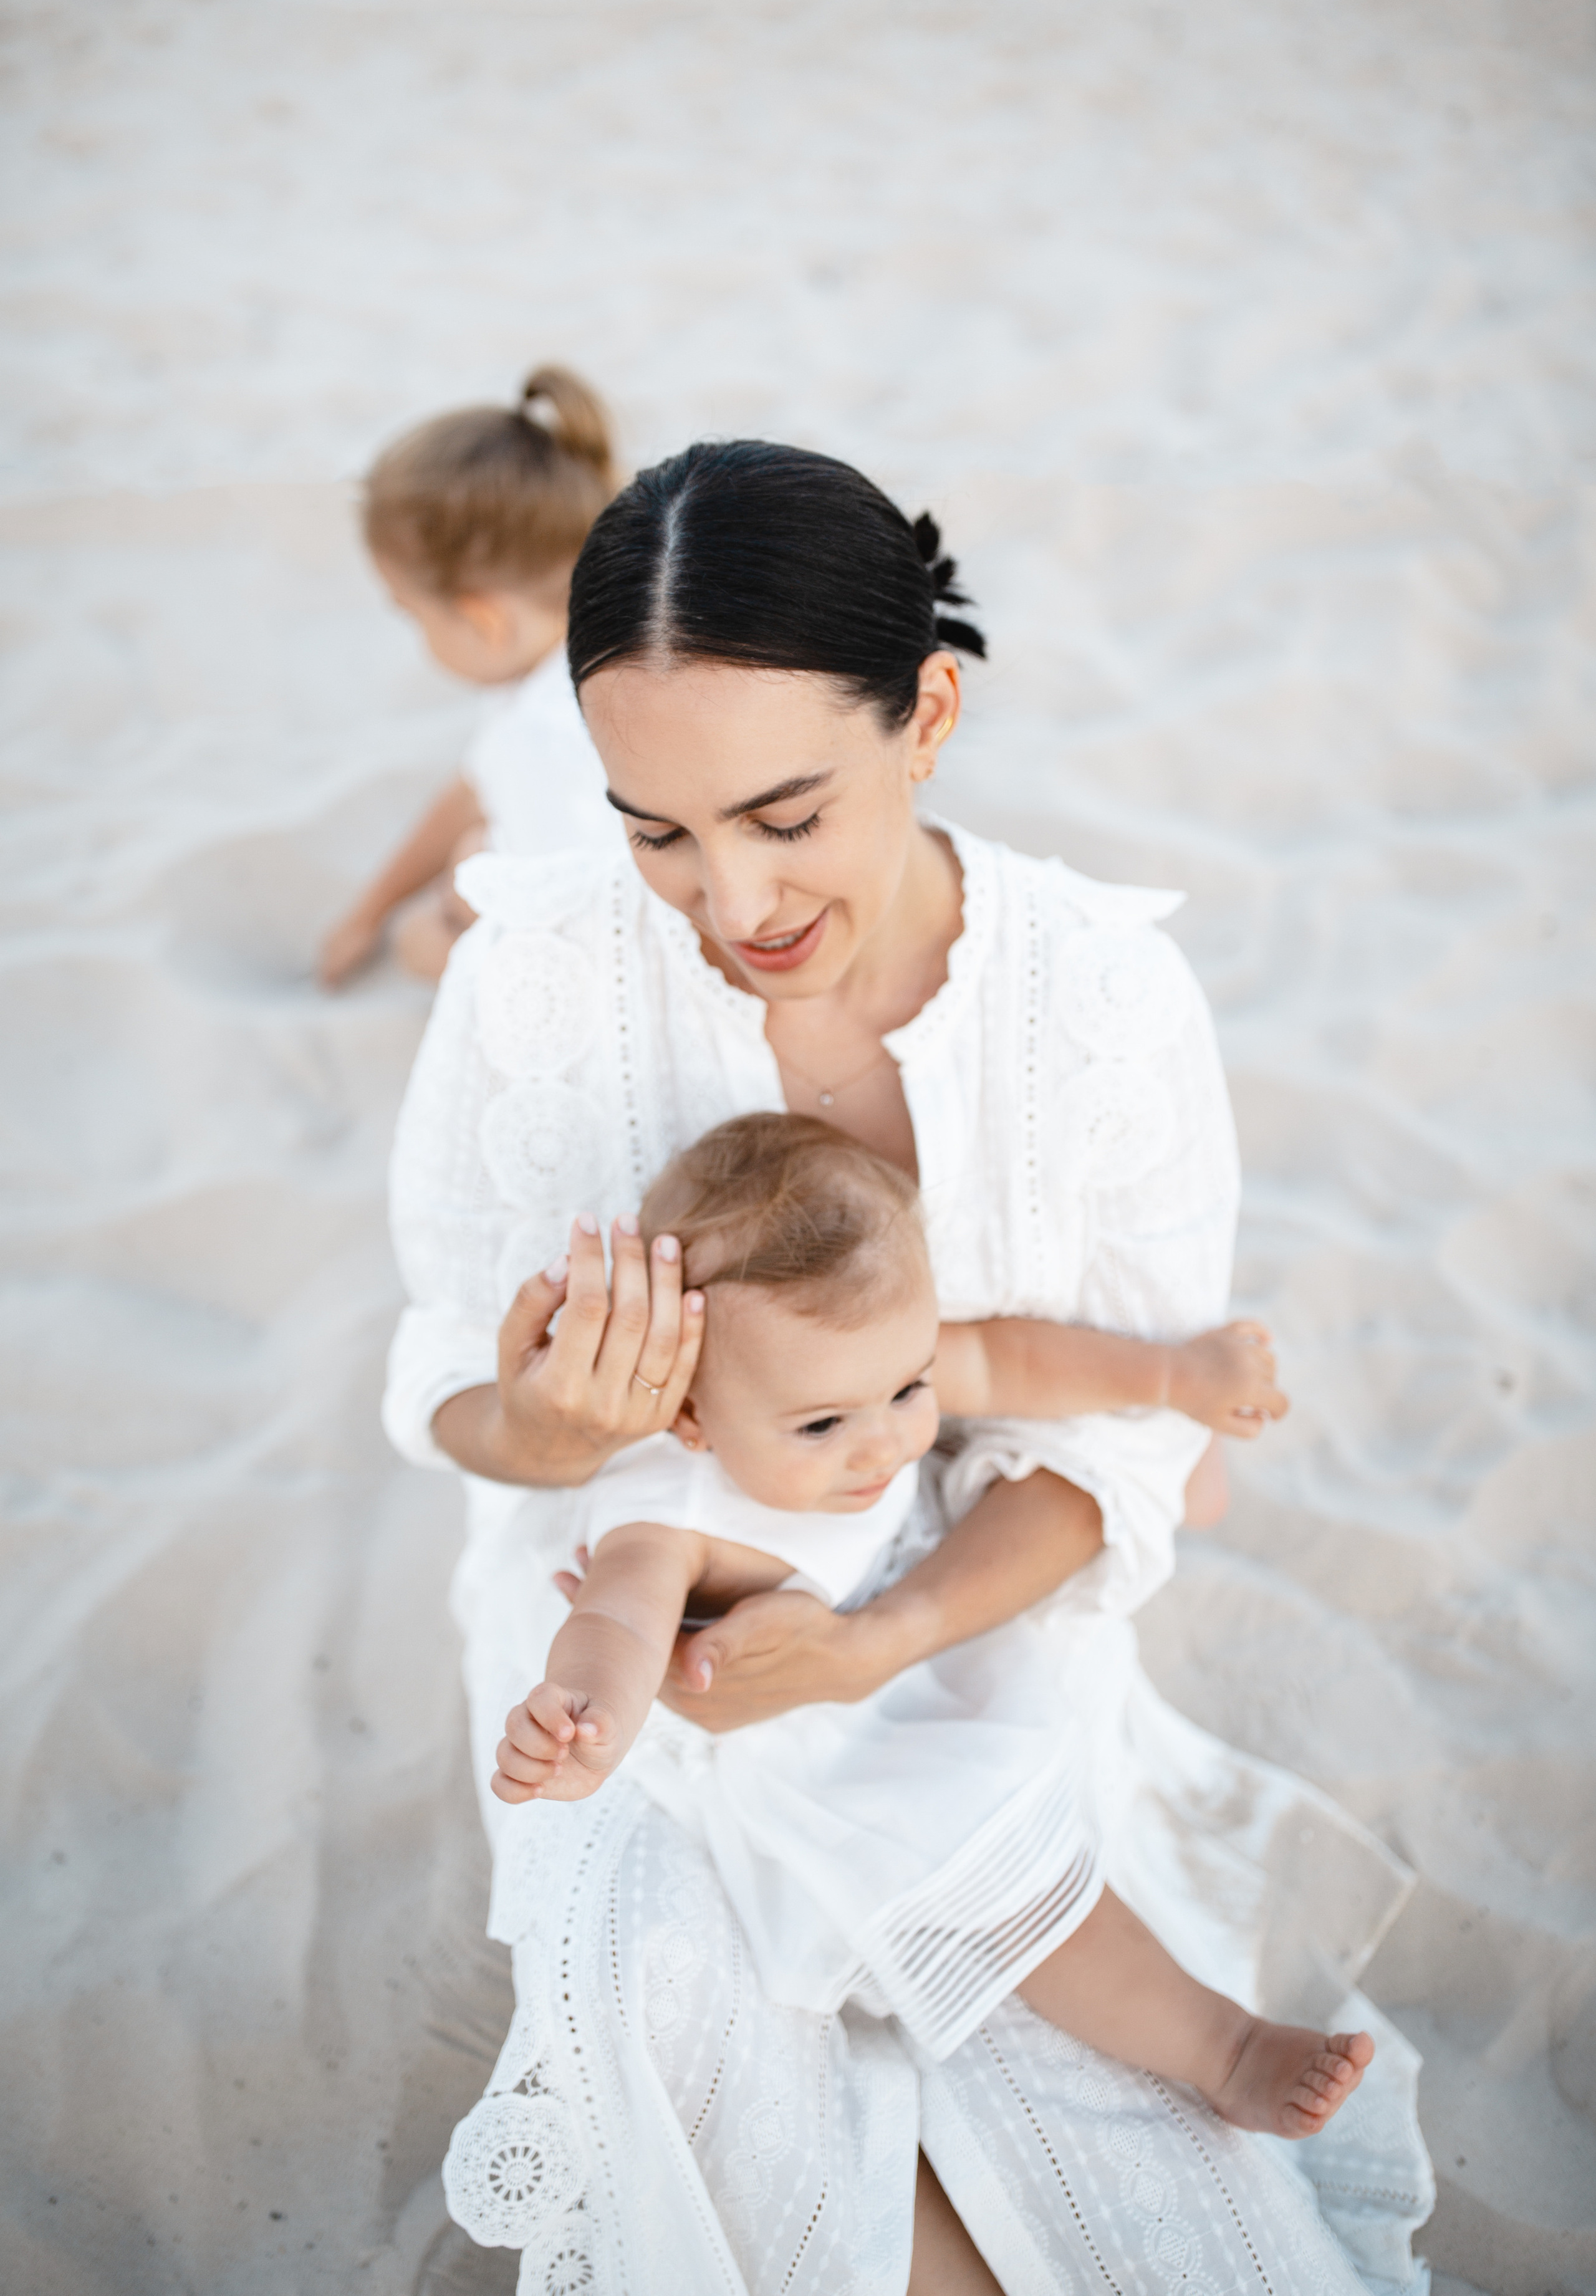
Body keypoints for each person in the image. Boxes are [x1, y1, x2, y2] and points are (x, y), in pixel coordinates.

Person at [383, 440, 1433, 2294]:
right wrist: (547, 1416)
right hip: (626, 1589)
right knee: (676, 2010)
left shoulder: (1098, 1000)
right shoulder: (535, 977)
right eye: (658, 830)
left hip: (967, 1584)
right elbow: (448, 1394)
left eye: (786, 815)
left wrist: (878, 1638)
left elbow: (1097, 1440)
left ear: (928, 710)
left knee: (1071, 2021)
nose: (729, 898)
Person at [494, 1110, 1368, 2144]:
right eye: (822, 1426)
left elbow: (1003, 1364)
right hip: (815, 1742)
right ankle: (1225, 2050)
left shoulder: (852, 1360)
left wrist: (1174, 1377)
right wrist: (588, 1714)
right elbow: (620, 1619)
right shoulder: (672, 1509)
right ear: (689, 1415)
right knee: (1015, 1882)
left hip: (908, 1636)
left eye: (907, 1391)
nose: (885, 1444)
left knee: (1081, 1750)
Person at [317, 362, 624, 989]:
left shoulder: (544, 738)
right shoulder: (587, 640)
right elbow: (470, 788)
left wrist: (446, 915)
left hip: (613, 966)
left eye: (412, 615)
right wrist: (366, 912)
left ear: (484, 622)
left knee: (423, 936)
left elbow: (588, 946)